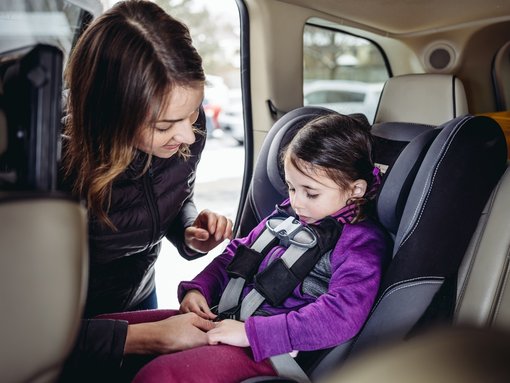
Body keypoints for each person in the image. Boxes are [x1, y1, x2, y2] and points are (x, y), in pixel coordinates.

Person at [128, 113, 391, 382]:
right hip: (225, 319)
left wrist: (251, 333)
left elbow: (341, 315)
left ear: (356, 189)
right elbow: (235, 255)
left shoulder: (360, 243)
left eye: (311, 193)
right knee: (114, 332)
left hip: (272, 351)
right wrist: (199, 289)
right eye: (291, 187)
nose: (297, 202)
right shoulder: (287, 216)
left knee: (160, 374)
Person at [59, 0, 232, 381]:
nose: (188, 134)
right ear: (111, 114)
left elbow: (174, 194)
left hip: (139, 294)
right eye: (166, 124)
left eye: (193, 113)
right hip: (73, 324)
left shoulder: (185, 127)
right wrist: (147, 338)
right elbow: (23, 333)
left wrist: (189, 229)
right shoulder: (52, 165)